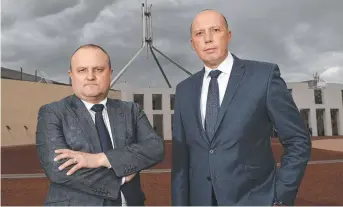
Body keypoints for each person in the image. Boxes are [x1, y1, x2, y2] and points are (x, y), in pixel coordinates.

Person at [171, 9, 311, 206]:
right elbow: (181, 160)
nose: (208, 39)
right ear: (192, 44)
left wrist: (280, 195)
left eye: (215, 30)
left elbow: (298, 140)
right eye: (199, 33)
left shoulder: (264, 77)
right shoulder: (184, 90)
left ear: (228, 35)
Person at [36, 44, 165, 206]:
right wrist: (122, 177)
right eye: (82, 70)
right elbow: (58, 169)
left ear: (110, 73)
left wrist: (100, 159)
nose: (90, 76)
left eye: (98, 69)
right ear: (71, 75)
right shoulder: (52, 113)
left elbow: (155, 148)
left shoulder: (131, 110)